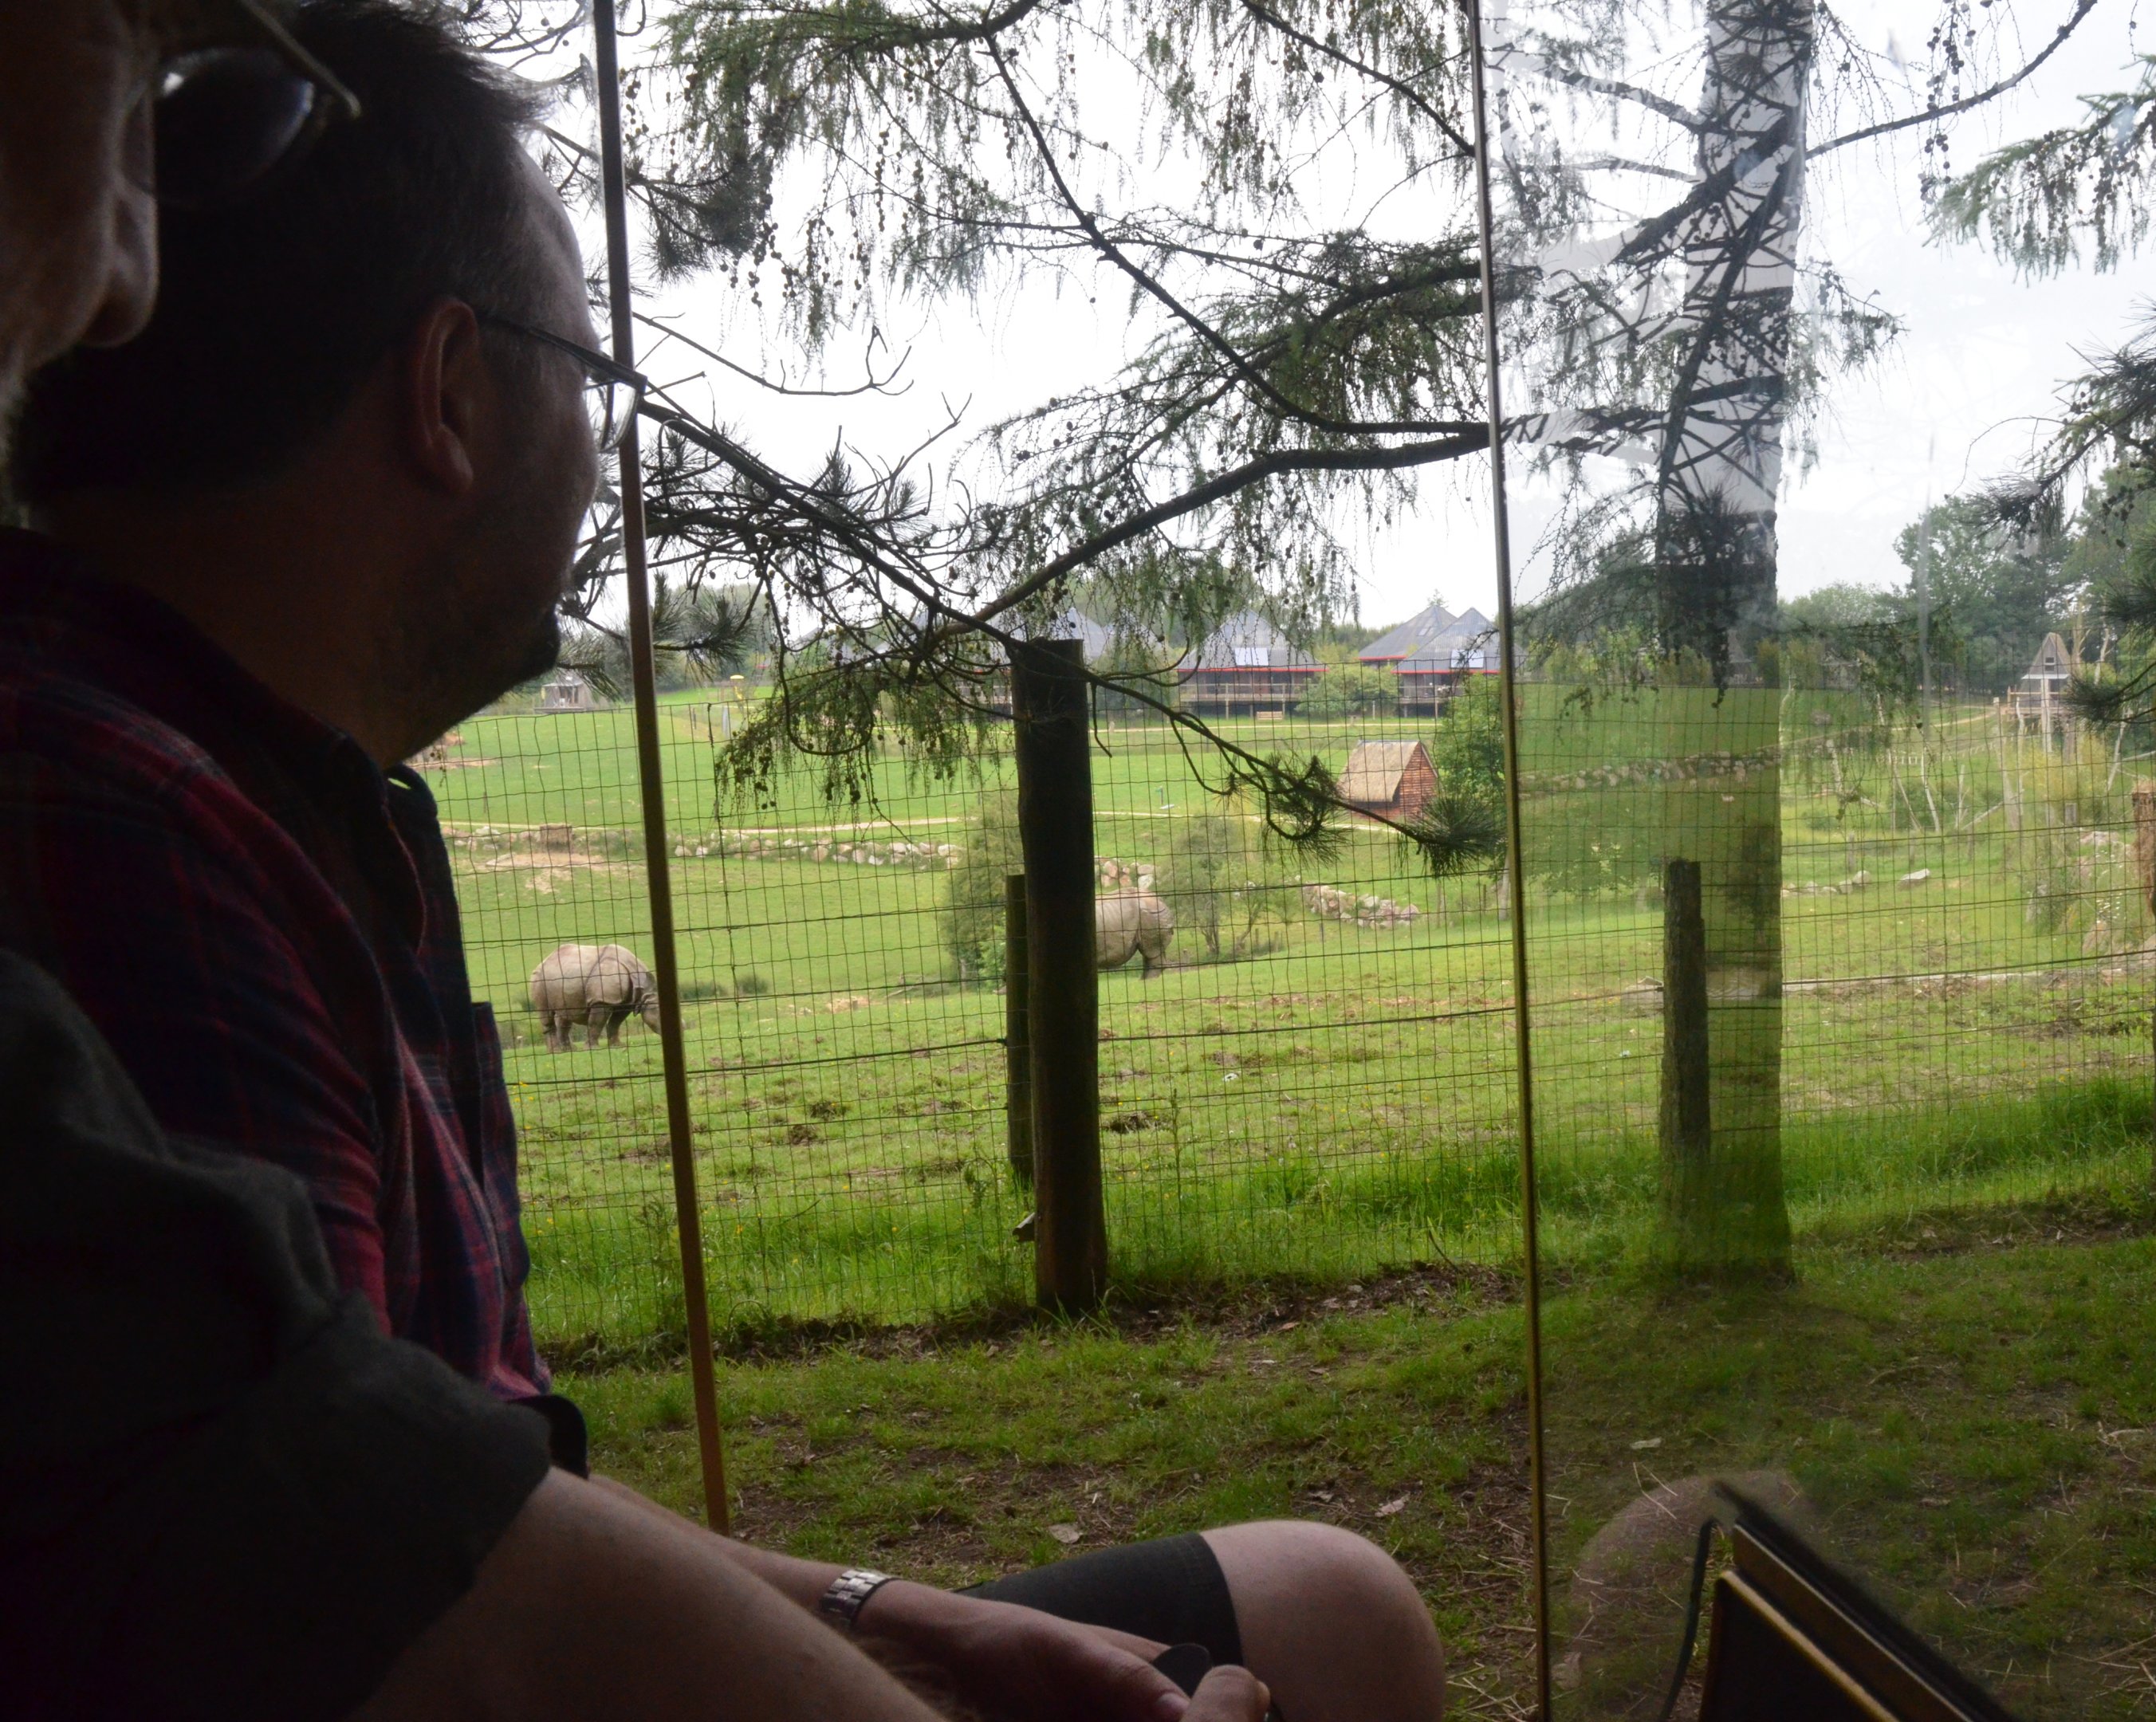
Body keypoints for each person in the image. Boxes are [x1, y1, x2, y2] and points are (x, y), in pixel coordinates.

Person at [0, 5, 1443, 1720]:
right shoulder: (125, 836)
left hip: (478, 1599)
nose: (604, 456)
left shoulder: (305, 807)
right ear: (449, 390)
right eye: (587, 373)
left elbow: (452, 1487)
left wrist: (899, 1612)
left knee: (1331, 1606)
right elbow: (367, 1620)